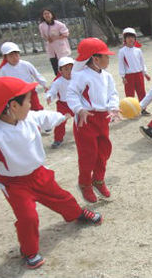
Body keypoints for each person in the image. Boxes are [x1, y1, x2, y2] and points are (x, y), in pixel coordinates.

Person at [0, 76, 103, 270]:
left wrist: (66, 115)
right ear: (13, 106)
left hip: (39, 175)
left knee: (63, 199)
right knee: (28, 217)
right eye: (27, 100)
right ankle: (29, 251)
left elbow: (48, 117)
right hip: (13, 184)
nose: (32, 103)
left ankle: (77, 213)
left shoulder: (30, 118)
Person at [67, 38, 120, 203]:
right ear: (95, 59)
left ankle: (98, 179)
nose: (108, 59)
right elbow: (72, 94)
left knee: (104, 150)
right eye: (106, 56)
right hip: (86, 119)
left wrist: (113, 107)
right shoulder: (81, 76)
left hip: (102, 118)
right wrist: (79, 109)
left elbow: (113, 93)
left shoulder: (107, 76)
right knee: (88, 154)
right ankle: (84, 183)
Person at [0, 42, 47, 111]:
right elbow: (3, 83)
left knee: (36, 108)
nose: (14, 58)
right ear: (5, 57)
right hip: (16, 94)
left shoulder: (26, 64)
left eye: (16, 55)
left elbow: (36, 74)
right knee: (21, 111)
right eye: (11, 56)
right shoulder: (4, 69)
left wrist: (44, 84)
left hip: (30, 91)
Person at [118, 28, 150, 115]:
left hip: (139, 74)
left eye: (132, 37)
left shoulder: (138, 50)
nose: (130, 39)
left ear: (135, 38)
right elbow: (121, 65)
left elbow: (142, 63)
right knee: (129, 94)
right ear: (125, 39)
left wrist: (145, 73)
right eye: (128, 37)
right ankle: (130, 110)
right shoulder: (122, 51)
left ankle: (143, 109)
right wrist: (123, 76)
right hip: (128, 76)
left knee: (142, 92)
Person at [45, 57, 75, 149]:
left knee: (81, 120)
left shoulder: (77, 79)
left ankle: (82, 136)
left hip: (76, 103)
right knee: (60, 122)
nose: (69, 71)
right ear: (60, 70)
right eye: (66, 69)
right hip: (63, 105)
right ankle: (58, 139)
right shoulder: (58, 82)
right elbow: (52, 91)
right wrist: (49, 97)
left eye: (71, 68)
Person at [38, 9, 72, 75]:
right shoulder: (42, 26)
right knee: (55, 65)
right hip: (51, 48)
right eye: (45, 14)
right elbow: (43, 35)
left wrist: (55, 38)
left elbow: (65, 34)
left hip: (61, 47)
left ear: (52, 14)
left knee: (64, 64)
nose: (46, 15)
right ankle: (57, 78)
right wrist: (47, 38)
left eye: (48, 13)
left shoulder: (59, 24)